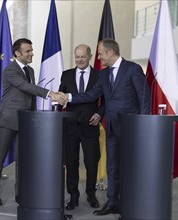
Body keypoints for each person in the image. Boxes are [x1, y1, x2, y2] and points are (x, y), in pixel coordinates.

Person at [59, 39, 151, 215]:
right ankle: (111, 202)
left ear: (110, 52)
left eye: (100, 54)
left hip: (130, 128)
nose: (99, 58)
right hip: (111, 128)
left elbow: (144, 98)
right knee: (112, 166)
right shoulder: (103, 74)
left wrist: (142, 125)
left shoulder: (132, 69)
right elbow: (92, 95)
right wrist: (68, 98)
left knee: (127, 167)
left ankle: (128, 204)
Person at [0, 38, 63, 206]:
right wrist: (50, 93)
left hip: (25, 121)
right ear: (17, 53)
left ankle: (20, 194)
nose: (32, 53)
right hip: (8, 120)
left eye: (31, 50)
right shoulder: (10, 70)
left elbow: (29, 96)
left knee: (22, 160)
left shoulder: (30, 70)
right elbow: (25, 87)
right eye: (28, 51)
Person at [58, 44, 104, 210]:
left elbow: (105, 101)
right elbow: (60, 96)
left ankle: (91, 195)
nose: (79, 59)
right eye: (77, 56)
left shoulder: (100, 76)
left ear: (90, 56)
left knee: (91, 163)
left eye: (82, 56)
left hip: (90, 125)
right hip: (70, 126)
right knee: (71, 163)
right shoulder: (66, 75)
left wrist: (99, 114)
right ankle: (73, 197)